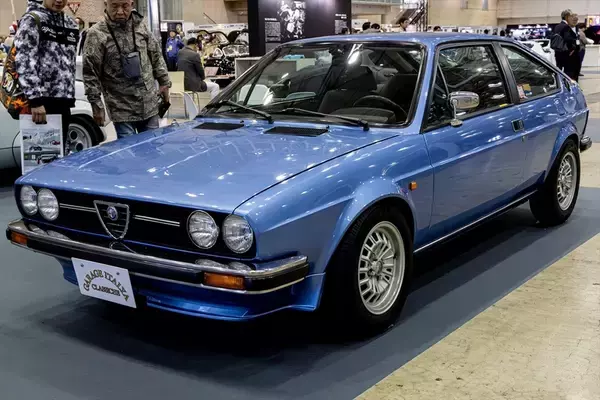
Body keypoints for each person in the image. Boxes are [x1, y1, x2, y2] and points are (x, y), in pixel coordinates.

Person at [83, 0, 171, 139]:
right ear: (106, 4)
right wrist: (96, 104)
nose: (120, 12)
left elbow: (156, 55)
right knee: (129, 150)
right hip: (121, 108)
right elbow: (90, 72)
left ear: (132, 5)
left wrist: (164, 83)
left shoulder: (141, 27)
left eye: (125, 6)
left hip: (149, 104)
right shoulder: (97, 34)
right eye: (114, 6)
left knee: (153, 147)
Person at [13, 0, 78, 147]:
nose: (59, 0)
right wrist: (35, 100)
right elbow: (25, 61)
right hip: (41, 104)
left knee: (61, 153)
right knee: (41, 154)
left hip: (64, 101)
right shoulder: (32, 20)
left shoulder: (70, 23)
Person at [553, 9, 581, 81]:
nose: (572, 18)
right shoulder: (566, 27)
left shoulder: (557, 26)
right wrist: (572, 49)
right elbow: (568, 39)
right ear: (567, 17)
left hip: (558, 53)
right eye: (571, 16)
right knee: (570, 75)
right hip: (568, 55)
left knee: (559, 73)